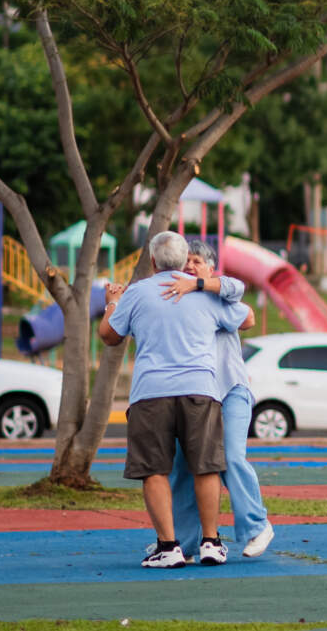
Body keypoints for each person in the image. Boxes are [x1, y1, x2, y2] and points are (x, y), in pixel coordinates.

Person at [99, 231, 252, 569]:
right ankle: (211, 542)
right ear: (184, 260)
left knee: (154, 469)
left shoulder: (137, 294)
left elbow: (109, 336)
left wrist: (112, 301)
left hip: (151, 392)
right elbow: (246, 318)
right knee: (206, 465)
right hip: (200, 388)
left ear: (153, 261)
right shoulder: (203, 291)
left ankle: (169, 546)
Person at [159, 239, 272, 562]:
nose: (190, 266)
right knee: (183, 467)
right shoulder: (178, 300)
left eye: (197, 261)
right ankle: (186, 544)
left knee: (231, 458)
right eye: (187, 262)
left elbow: (247, 314)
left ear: (210, 269)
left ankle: (257, 525)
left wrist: (201, 288)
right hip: (194, 396)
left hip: (230, 392)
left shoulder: (217, 299)